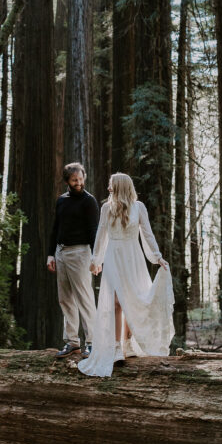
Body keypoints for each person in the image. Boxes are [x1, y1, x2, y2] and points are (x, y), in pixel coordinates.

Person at [78, 173, 174, 378]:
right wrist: (96, 260)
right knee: (116, 301)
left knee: (133, 299)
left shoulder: (139, 207)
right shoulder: (106, 208)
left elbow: (147, 234)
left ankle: (129, 343)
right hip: (114, 257)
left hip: (133, 257)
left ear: (120, 186)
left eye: (111, 185)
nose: (108, 188)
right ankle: (115, 347)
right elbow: (101, 235)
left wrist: (157, 257)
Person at [47, 162, 99, 358]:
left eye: (81, 179)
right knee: (65, 299)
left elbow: (94, 231)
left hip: (80, 254)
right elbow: (55, 228)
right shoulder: (61, 201)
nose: (79, 183)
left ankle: (93, 342)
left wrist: (96, 258)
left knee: (84, 298)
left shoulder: (89, 201)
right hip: (61, 253)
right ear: (67, 181)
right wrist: (51, 254)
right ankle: (73, 342)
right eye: (75, 180)